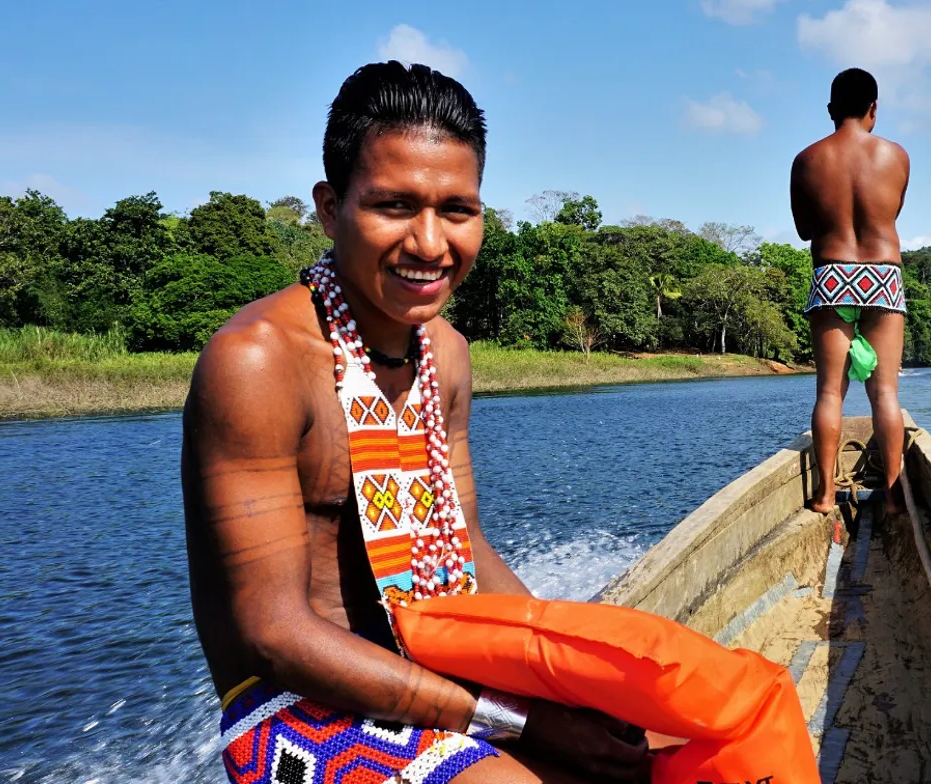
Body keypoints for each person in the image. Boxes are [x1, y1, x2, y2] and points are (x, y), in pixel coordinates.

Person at [182, 61, 648, 784]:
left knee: (653, 748)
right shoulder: (256, 363)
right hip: (296, 710)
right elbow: (272, 635)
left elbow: (465, 549)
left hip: (435, 667)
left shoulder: (449, 355)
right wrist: (515, 720)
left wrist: (573, 679)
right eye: (395, 206)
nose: (431, 244)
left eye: (457, 210)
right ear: (331, 209)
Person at [790, 67, 911, 517]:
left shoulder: (807, 159)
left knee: (829, 393)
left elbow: (806, 229)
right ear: (873, 109)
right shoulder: (896, 156)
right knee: (885, 395)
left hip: (831, 273)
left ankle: (823, 496)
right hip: (882, 272)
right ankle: (895, 496)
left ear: (829, 110)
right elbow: (890, 211)